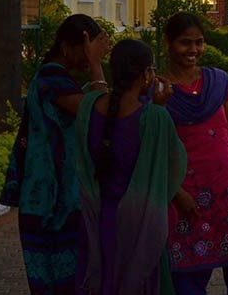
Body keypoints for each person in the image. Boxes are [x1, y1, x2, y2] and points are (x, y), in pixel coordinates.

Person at [2, 14, 109, 294]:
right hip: (48, 202)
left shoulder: (63, 80)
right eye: (84, 50)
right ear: (66, 47)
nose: (88, 57)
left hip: (62, 199)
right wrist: (97, 64)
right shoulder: (51, 79)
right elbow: (97, 113)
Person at [162, 13, 228, 295]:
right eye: (185, 43)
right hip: (187, 198)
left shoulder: (217, 82)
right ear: (168, 43)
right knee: (188, 278)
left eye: (199, 42)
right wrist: (176, 193)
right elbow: (156, 150)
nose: (193, 50)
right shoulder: (159, 92)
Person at [75, 39, 186, 295]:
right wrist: (160, 108)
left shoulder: (89, 108)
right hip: (140, 225)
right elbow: (172, 164)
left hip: (99, 218)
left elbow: (98, 93)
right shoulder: (155, 118)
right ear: (146, 74)